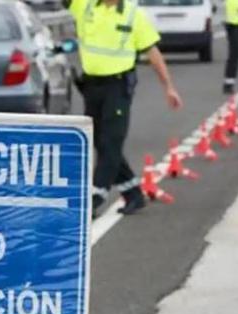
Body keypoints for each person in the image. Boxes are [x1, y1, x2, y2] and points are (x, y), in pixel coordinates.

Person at [65, 0, 183, 217]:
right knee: (100, 141)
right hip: (91, 86)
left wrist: (169, 87)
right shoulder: (85, 5)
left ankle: (95, 196)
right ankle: (133, 193)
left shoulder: (133, 14)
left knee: (111, 141)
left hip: (117, 87)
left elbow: (153, 53)